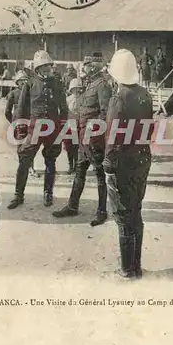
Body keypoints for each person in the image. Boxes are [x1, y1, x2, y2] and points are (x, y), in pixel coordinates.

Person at [103, 49, 153, 278]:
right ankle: (137, 266)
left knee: (123, 216)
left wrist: (108, 162)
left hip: (122, 162)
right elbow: (149, 130)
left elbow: (113, 136)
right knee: (136, 212)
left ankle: (126, 270)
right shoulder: (145, 95)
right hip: (141, 158)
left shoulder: (118, 98)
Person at [52, 51, 112, 227]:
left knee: (100, 175)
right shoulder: (90, 84)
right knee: (79, 172)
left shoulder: (102, 85)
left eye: (86, 65)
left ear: (92, 67)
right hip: (83, 138)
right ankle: (72, 206)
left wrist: (94, 132)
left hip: (94, 139)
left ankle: (102, 211)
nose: (83, 68)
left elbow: (105, 112)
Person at [7, 50, 68, 209]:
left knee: (50, 161)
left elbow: (64, 108)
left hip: (52, 130)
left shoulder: (57, 83)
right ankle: (18, 195)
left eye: (48, 66)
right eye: (43, 66)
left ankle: (48, 193)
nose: (47, 69)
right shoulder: (30, 84)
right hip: (34, 129)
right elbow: (20, 108)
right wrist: (21, 130)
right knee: (25, 161)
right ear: (37, 69)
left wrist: (62, 127)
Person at [64, 78, 83, 174]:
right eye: (74, 88)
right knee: (68, 145)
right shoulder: (67, 99)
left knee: (77, 146)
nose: (77, 90)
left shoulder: (83, 100)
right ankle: (70, 165)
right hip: (69, 125)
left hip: (79, 124)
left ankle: (76, 165)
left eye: (78, 88)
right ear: (71, 89)